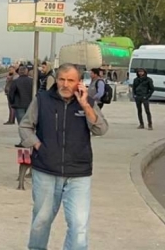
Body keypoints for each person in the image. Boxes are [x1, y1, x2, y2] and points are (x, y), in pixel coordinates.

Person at [19, 63, 109, 250]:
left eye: (71, 80)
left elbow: (101, 129)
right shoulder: (42, 99)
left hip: (78, 173)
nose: (65, 84)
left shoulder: (88, 102)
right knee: (41, 221)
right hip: (46, 170)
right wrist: (38, 145)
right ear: (56, 79)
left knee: (78, 225)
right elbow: (25, 126)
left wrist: (85, 105)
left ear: (79, 82)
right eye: (62, 79)